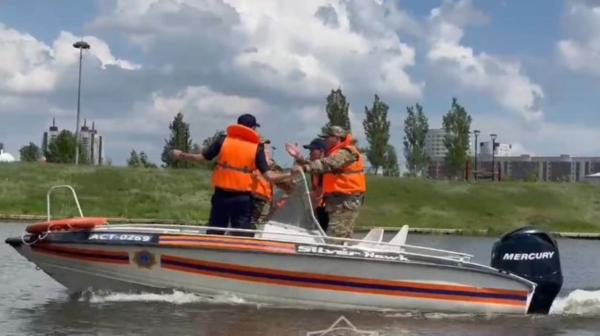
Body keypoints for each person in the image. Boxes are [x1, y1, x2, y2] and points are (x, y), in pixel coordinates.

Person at [170, 114, 292, 237]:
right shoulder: (257, 148)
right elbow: (269, 176)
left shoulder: (222, 140)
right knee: (242, 236)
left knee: (214, 233)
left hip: (221, 196)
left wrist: (182, 155)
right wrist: (290, 173)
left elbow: (202, 158)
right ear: (253, 128)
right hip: (242, 199)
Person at [290, 126, 366, 243]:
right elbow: (322, 165)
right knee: (338, 237)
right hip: (337, 202)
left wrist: (305, 167)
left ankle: (332, 259)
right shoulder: (337, 153)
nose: (324, 141)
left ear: (336, 138)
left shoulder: (347, 152)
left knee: (334, 239)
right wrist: (301, 160)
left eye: (326, 137)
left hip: (345, 201)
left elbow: (328, 164)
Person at [285, 138, 329, 231]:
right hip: (317, 208)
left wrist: (305, 195)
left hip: (326, 210)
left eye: (312, 150)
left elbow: (320, 190)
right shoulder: (315, 166)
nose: (309, 153)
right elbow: (307, 163)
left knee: (324, 234)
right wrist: (297, 156)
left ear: (321, 151)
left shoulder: (327, 167)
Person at [250, 137, 292, 228]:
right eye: (262, 147)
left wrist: (280, 203)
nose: (266, 151)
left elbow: (288, 186)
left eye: (265, 147)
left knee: (257, 230)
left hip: (263, 204)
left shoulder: (272, 166)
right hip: (247, 199)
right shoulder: (247, 160)